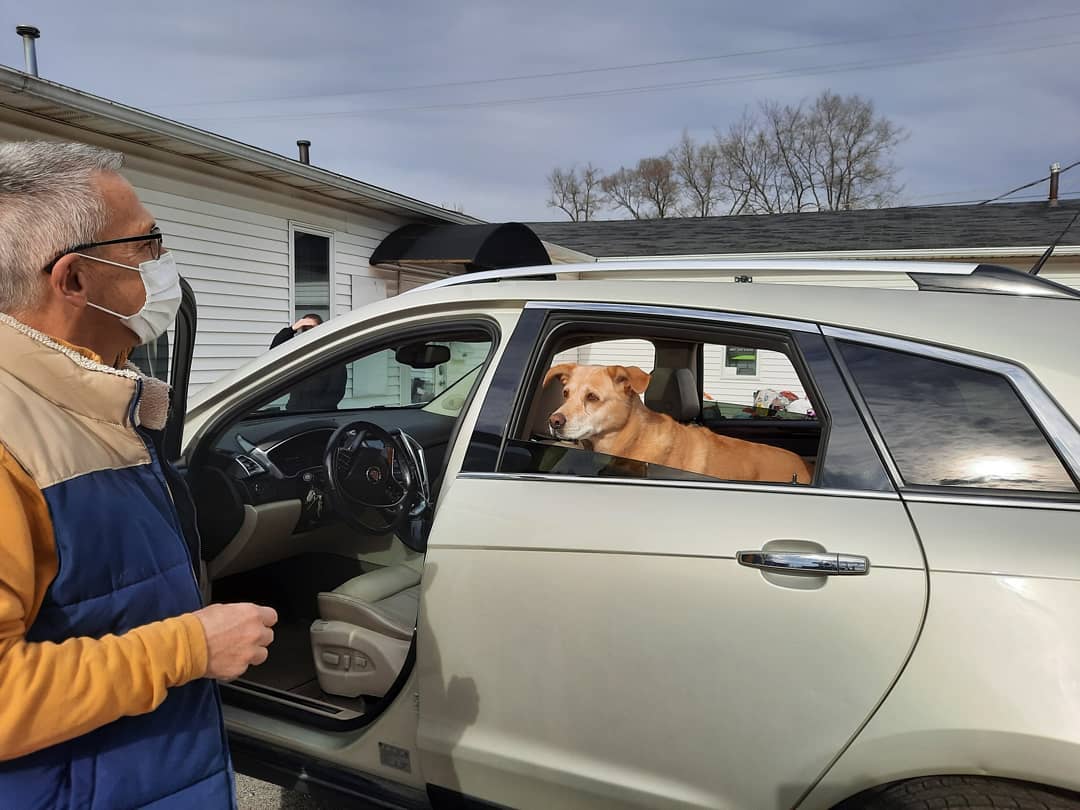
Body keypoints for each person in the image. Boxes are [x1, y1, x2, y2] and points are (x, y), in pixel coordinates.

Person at [0, 141, 277, 808]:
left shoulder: (92, 402)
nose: (163, 264)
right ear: (73, 280)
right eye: (147, 243)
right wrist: (188, 646)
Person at [269, 313, 347, 411]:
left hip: (321, 415)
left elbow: (336, 392)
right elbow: (274, 350)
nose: (309, 331)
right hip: (294, 412)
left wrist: (313, 411)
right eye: (305, 328)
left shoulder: (331, 354)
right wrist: (293, 328)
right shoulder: (298, 354)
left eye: (312, 328)